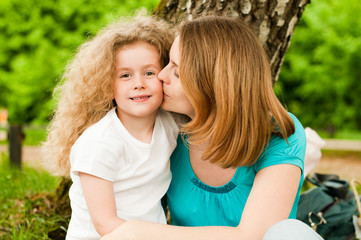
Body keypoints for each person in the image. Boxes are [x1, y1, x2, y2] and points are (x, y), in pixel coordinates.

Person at [101, 16, 324, 240]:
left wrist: (138, 232)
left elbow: (254, 235)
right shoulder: (167, 130)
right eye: (167, 63)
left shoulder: (279, 134)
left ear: (212, 83)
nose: (161, 75)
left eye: (176, 72)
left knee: (292, 234)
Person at [42, 15, 178, 240]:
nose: (139, 83)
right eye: (125, 75)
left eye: (149, 72)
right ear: (107, 85)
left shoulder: (169, 124)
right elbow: (105, 224)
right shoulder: (99, 143)